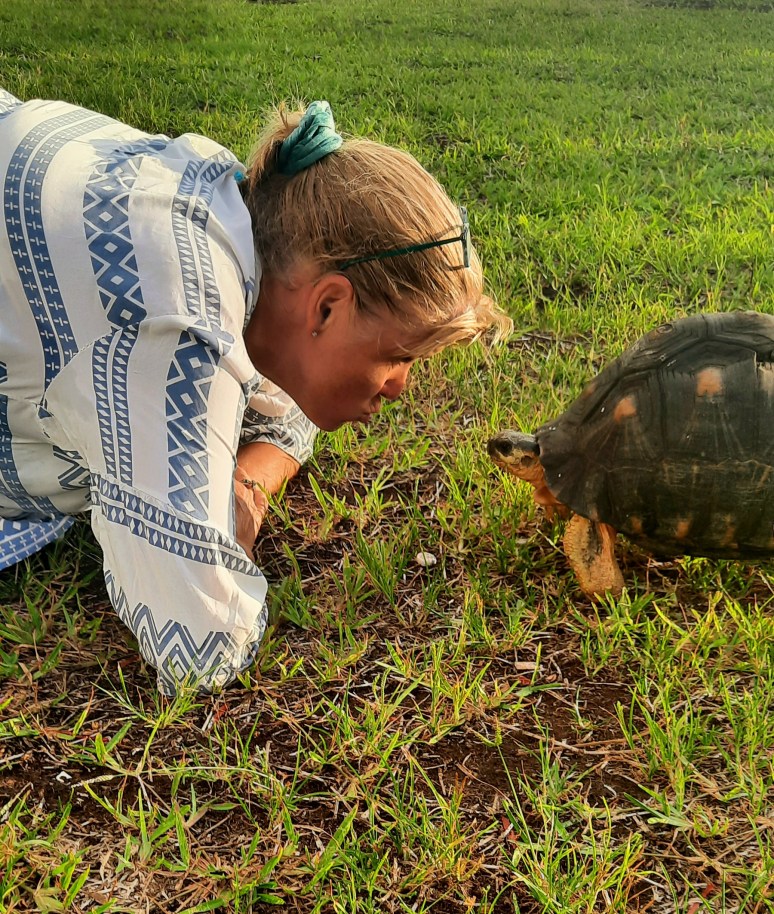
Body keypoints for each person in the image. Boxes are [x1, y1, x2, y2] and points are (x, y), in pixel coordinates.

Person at [0, 89, 510, 694]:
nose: (400, 387)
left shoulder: (227, 211)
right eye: (397, 357)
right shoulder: (176, 330)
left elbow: (282, 397)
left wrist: (248, 479)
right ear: (327, 304)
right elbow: (198, 639)